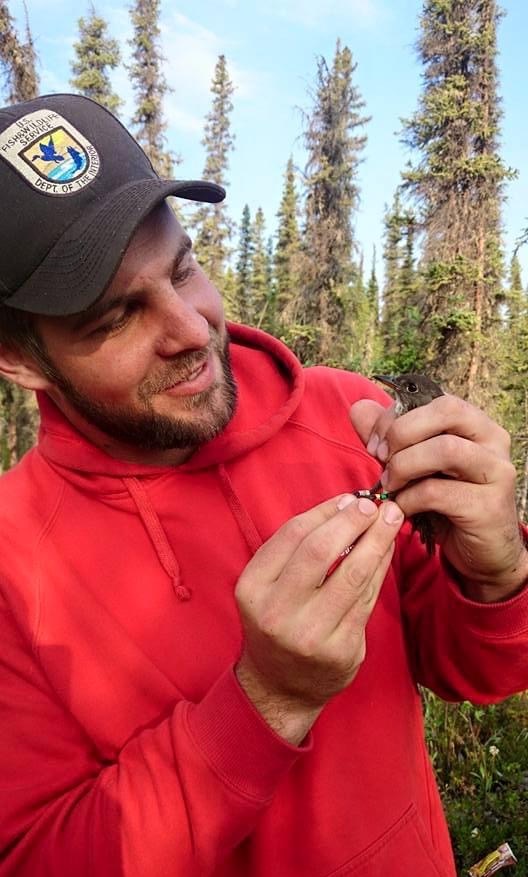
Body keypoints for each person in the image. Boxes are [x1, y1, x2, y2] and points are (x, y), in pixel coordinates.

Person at [0, 93, 526, 877]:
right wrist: (268, 700)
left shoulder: (344, 414)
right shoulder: (13, 566)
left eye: (183, 267)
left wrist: (496, 575)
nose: (187, 328)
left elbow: (468, 669)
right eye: (115, 318)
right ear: (21, 360)